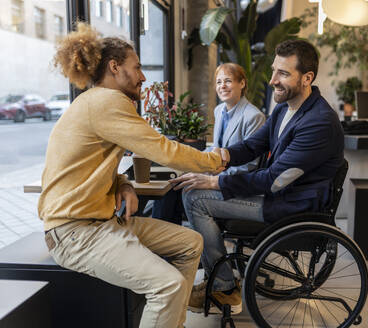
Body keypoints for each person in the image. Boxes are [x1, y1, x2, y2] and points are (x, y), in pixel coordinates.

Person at [39, 23, 227, 328]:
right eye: (136, 67)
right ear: (115, 67)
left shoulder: (93, 103)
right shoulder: (107, 102)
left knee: (191, 242)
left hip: (102, 225)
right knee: (169, 284)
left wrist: (124, 184)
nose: (142, 76)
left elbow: (97, 163)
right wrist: (213, 161)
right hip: (76, 234)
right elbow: (163, 150)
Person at [171, 39, 345, 314]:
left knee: (195, 198)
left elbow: (274, 179)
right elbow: (252, 146)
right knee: (196, 189)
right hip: (279, 195)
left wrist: (216, 181)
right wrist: (217, 158)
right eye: (274, 71)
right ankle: (221, 277)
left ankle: (224, 286)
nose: (273, 80)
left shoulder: (319, 122)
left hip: (291, 206)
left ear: (307, 78)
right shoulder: (285, 109)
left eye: (283, 73)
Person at [151, 63, 265, 224]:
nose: (222, 86)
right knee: (174, 181)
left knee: (180, 186)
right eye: (218, 82)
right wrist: (191, 163)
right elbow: (215, 148)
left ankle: (162, 234)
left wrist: (212, 179)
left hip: (232, 184)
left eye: (228, 81)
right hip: (213, 172)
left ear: (242, 83)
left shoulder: (254, 116)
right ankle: (167, 235)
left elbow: (248, 166)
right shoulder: (219, 110)